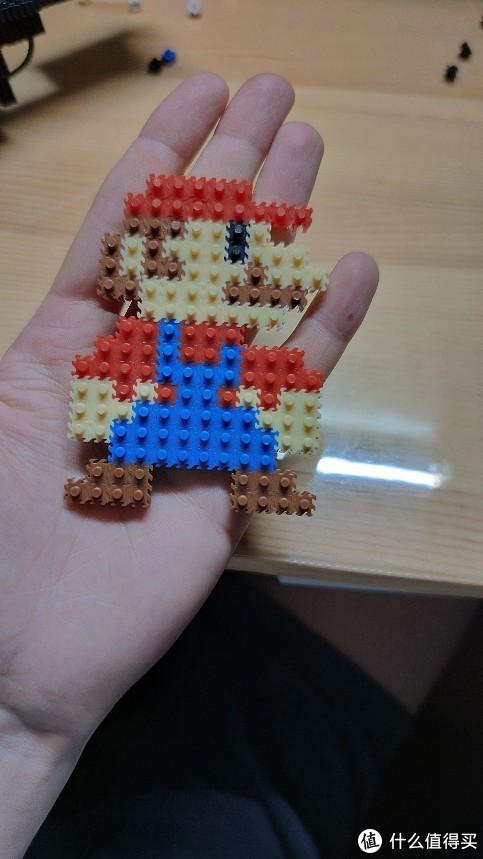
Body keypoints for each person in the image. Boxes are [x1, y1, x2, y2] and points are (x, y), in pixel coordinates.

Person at [0, 73, 474, 858]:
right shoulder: (142, 336)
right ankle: (153, 470)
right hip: (208, 793)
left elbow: (272, 305)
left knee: (256, 416)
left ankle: (233, 471)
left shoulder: (232, 327)